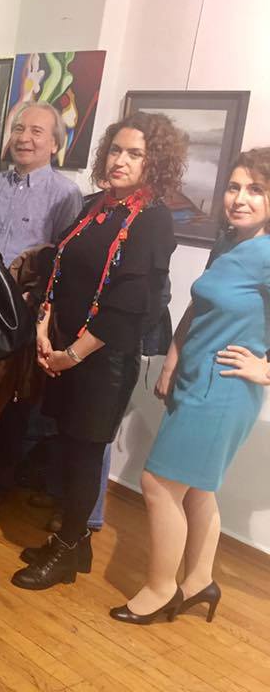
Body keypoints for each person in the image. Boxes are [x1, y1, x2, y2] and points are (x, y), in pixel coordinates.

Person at [12, 112, 184, 590]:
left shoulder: (153, 220)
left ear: (154, 163)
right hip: (64, 349)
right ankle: (75, 544)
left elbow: (128, 304)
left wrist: (72, 354)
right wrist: (44, 331)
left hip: (102, 361)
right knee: (67, 448)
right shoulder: (95, 207)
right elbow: (58, 269)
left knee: (85, 453)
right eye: (115, 150)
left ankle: (67, 549)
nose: (120, 160)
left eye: (135, 154)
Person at [110, 148, 270, 624]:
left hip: (224, 390)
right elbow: (199, 307)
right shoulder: (230, 243)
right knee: (197, 488)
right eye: (234, 187)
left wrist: (266, 369)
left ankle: (161, 589)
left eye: (256, 190)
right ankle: (199, 581)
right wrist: (172, 362)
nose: (240, 198)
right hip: (194, 379)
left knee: (158, 484)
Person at [0, 101, 83, 524]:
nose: (24, 138)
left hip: (23, 313)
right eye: (18, 128)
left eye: (36, 131)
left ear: (55, 144)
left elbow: (62, 262)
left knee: (12, 402)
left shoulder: (66, 195)